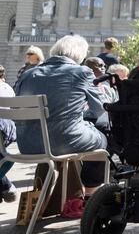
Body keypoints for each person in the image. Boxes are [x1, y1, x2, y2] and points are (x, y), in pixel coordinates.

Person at [16, 35, 109, 199]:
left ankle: (63, 194)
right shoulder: (82, 72)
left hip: (27, 144)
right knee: (103, 134)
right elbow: (100, 111)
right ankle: (91, 194)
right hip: (63, 142)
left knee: (70, 129)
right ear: (79, 54)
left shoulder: (27, 74)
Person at [0, 66, 17, 202]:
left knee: (3, 158)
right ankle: (7, 187)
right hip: (8, 130)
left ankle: (7, 187)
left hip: (2, 128)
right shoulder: (7, 88)